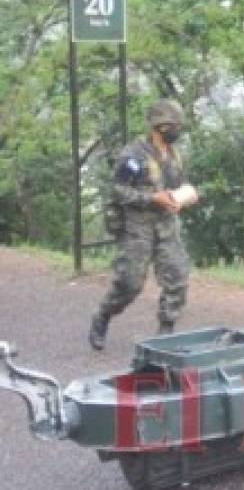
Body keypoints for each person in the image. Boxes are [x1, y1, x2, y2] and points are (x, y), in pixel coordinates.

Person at [88, 99, 197, 350]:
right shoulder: (134, 155)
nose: (178, 131)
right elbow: (117, 190)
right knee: (130, 284)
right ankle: (103, 315)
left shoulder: (174, 154)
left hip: (167, 225)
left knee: (177, 278)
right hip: (138, 228)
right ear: (160, 127)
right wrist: (150, 198)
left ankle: (165, 331)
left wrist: (182, 197)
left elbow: (176, 185)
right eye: (174, 126)